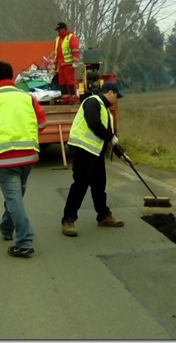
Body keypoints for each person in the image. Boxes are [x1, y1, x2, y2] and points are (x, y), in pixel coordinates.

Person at [0, 61, 47, 258]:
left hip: (4, 159)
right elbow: (42, 124)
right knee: (16, 197)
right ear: (12, 76)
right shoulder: (27, 97)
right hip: (28, 154)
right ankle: (6, 228)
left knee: (14, 199)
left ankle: (24, 241)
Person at [60, 82, 125, 237]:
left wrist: (121, 153)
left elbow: (110, 137)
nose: (116, 100)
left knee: (99, 185)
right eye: (116, 96)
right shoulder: (92, 102)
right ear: (110, 92)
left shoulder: (106, 112)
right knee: (80, 185)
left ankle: (103, 216)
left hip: (95, 153)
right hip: (83, 150)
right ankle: (68, 220)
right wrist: (111, 137)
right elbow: (93, 123)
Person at [53, 22, 80, 104]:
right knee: (62, 82)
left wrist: (75, 62)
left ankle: (72, 98)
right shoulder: (58, 39)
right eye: (57, 30)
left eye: (59, 30)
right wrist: (55, 64)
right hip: (61, 64)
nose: (58, 32)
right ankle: (65, 99)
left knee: (70, 82)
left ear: (64, 28)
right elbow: (56, 52)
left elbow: (75, 50)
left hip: (68, 64)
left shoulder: (71, 37)